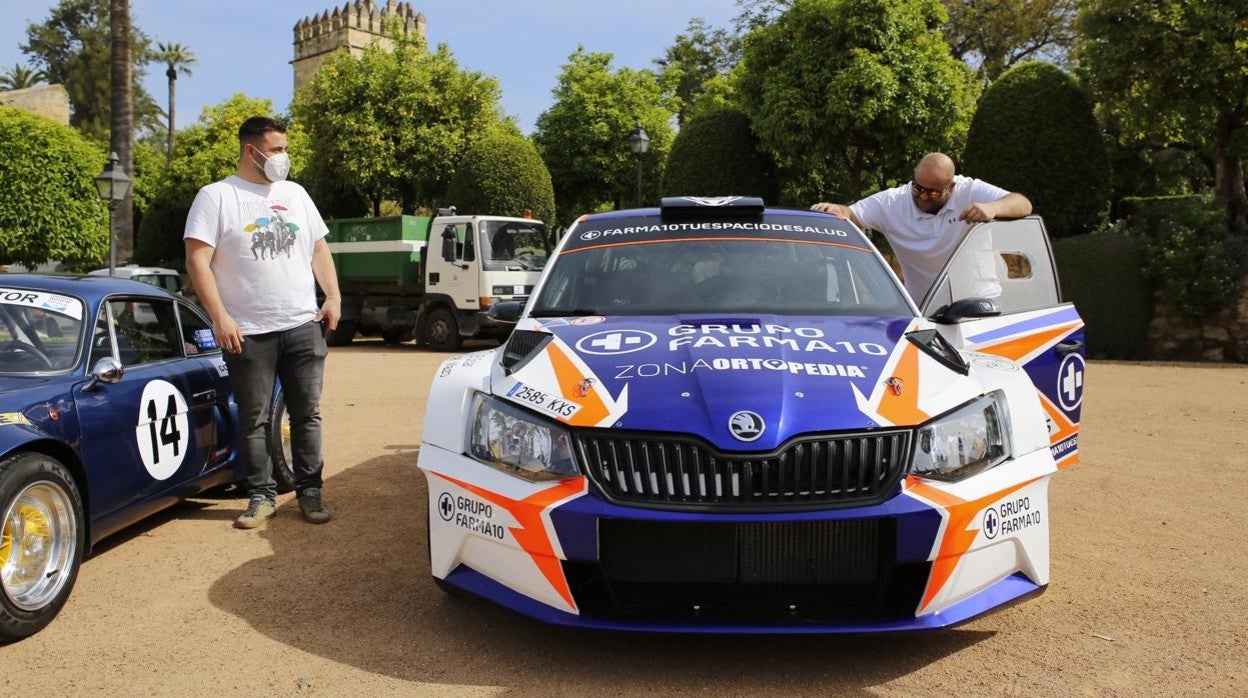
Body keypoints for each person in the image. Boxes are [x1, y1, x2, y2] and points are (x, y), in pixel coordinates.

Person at [183, 116, 342, 529]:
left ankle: (310, 490)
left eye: (285, 149)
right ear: (250, 150)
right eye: (276, 150)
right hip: (248, 330)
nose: (283, 157)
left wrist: (333, 296)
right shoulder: (216, 197)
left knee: (307, 413)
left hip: (302, 324)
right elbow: (197, 259)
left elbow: (318, 248)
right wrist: (220, 317)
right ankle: (260, 495)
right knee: (253, 417)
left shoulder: (296, 194)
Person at [810, 152, 1032, 304]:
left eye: (934, 192)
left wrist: (993, 207)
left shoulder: (970, 190)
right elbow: (850, 213)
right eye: (918, 188)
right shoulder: (892, 202)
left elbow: (1023, 204)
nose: (924, 197)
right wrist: (832, 208)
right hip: (924, 309)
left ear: (951, 186)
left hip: (980, 305)